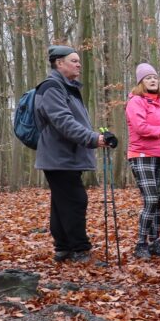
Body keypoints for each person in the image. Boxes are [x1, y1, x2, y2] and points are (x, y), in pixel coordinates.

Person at [34, 45, 109, 264]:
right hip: (59, 157)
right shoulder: (52, 87)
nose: (79, 65)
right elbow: (63, 122)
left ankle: (64, 249)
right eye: (74, 61)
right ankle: (80, 251)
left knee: (61, 203)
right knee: (75, 201)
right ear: (59, 63)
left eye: (79, 61)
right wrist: (93, 138)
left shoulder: (66, 87)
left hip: (65, 156)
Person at [125, 62, 160, 260]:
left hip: (159, 156)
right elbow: (141, 128)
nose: (153, 80)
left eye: (155, 78)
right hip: (141, 156)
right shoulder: (135, 102)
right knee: (150, 199)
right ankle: (141, 244)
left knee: (158, 201)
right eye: (148, 78)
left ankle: (155, 242)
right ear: (141, 82)